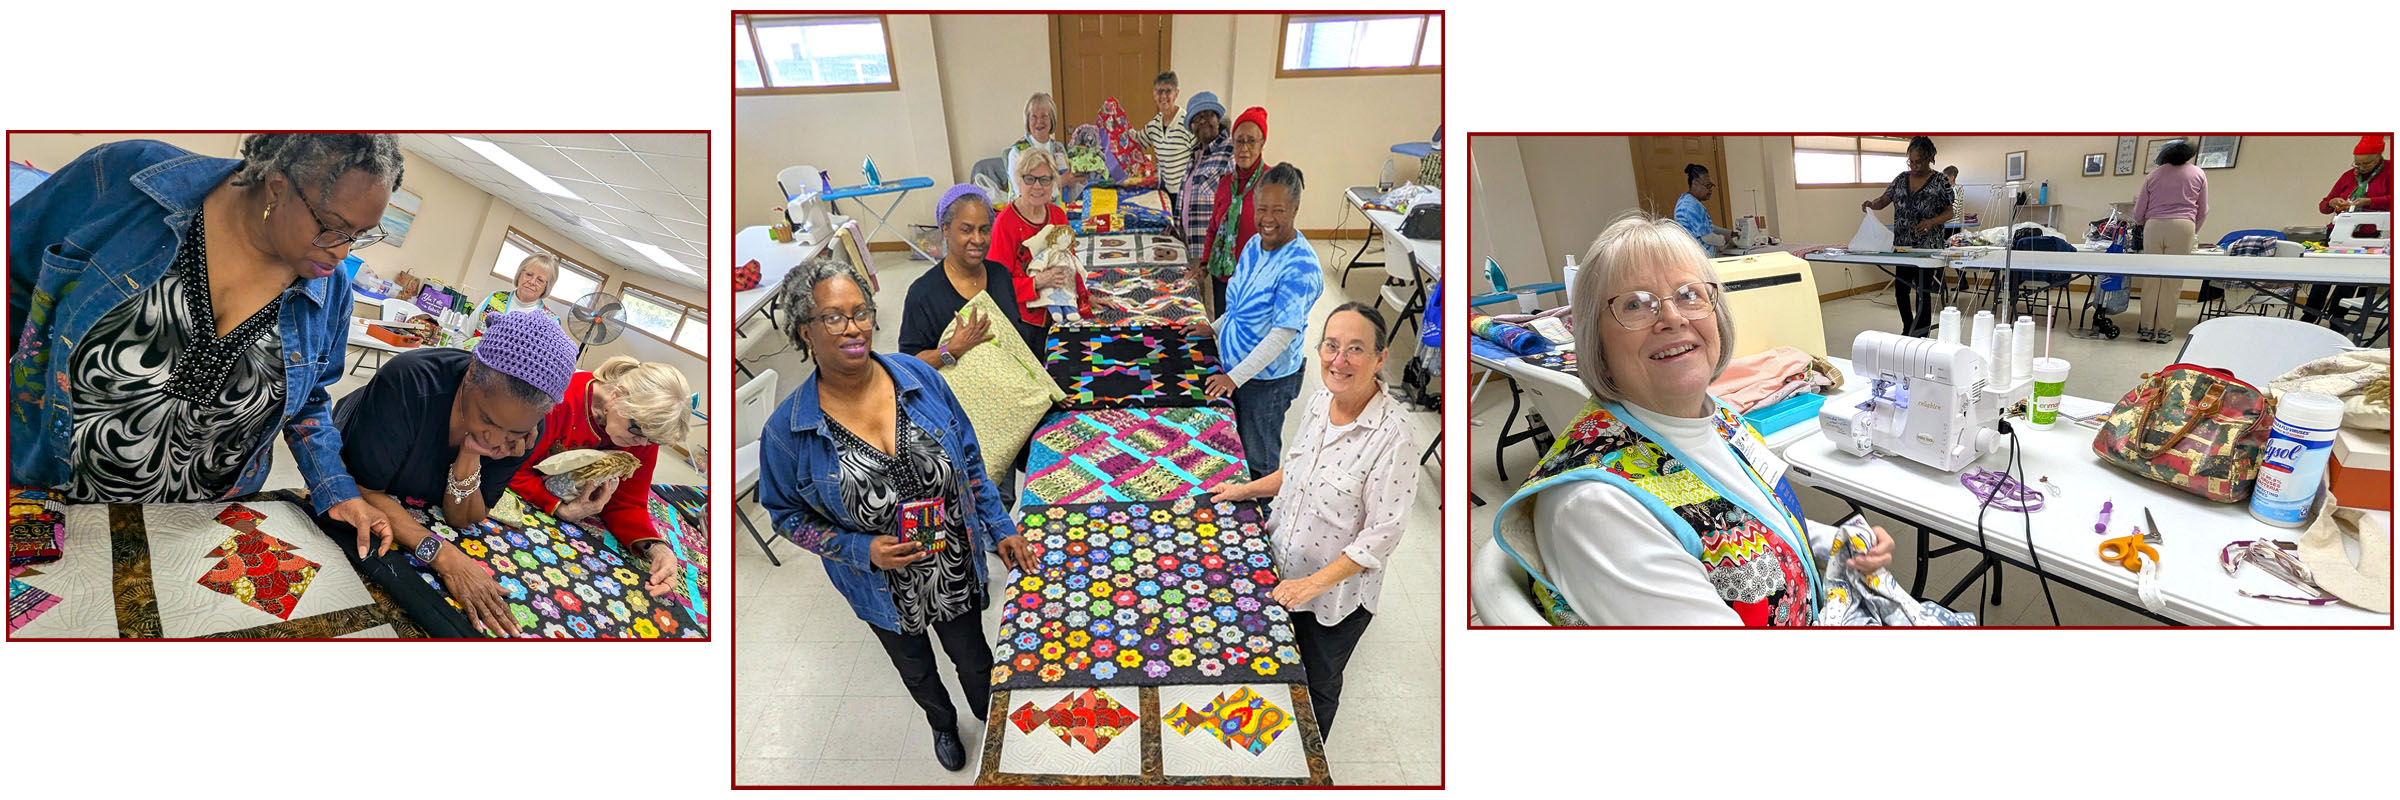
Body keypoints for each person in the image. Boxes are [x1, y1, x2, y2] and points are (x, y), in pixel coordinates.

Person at [1491, 214, 1901, 626]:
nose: (1672, 317)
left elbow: (1763, 519)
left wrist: (1838, 544)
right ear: (1594, 339)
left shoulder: (1717, 417)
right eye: (1635, 304)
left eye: (1689, 295)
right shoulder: (1596, 508)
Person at [7, 134, 400, 554]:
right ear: (277, 186)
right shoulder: (129, 180)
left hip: (196, 529)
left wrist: (336, 490)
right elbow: (12, 281)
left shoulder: (330, 290)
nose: (341, 251)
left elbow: (310, 401)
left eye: (359, 234)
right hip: (51, 495)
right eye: (329, 226)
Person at [756, 257, 1036, 772]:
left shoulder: (916, 377)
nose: (854, 327)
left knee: (975, 661)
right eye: (834, 317)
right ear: (805, 332)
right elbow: (785, 517)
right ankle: (942, 724)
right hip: (881, 588)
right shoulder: (787, 431)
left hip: (952, 562)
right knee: (917, 670)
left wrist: (1001, 529)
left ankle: (994, 725)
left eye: (860, 311)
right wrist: (862, 550)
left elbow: (969, 458)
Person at [1209, 302, 1417, 738]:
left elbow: (1380, 538)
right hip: (1282, 571)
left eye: (1355, 349)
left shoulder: (1393, 438)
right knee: (1270, 665)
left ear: (1380, 358)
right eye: (1331, 346)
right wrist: (1245, 490)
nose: (1339, 361)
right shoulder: (1322, 399)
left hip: (1331, 600)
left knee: (1317, 685)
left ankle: (1309, 755)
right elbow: (1300, 470)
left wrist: (1309, 585)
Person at [333, 311, 578, 637]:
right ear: (472, 372)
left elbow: (465, 518)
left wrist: (471, 453)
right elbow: (362, 489)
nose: (495, 439)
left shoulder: (524, 432)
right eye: (487, 420)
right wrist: (443, 556)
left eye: (512, 430)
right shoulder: (409, 381)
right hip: (358, 454)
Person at [503, 355, 693, 596]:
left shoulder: (644, 433)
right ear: (617, 396)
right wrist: (558, 508)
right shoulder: (560, 400)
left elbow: (627, 503)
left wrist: (656, 548)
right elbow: (512, 467)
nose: (641, 444)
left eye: (652, 440)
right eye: (637, 432)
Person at [1183, 163, 1323, 478]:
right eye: (1261, 209)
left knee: (1258, 458)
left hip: (1266, 382)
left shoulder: (1301, 267)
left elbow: (1281, 335)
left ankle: (1261, 516)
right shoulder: (1253, 245)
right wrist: (1215, 328)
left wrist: (1236, 378)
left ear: (1295, 209)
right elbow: (1240, 306)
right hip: (1238, 369)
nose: (1267, 219)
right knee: (1234, 445)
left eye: (1278, 210)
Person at [900, 184, 1043, 364]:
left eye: (984, 230)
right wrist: (951, 350)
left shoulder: (1000, 276)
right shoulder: (923, 294)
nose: (977, 240)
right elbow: (908, 364)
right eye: (966, 230)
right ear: (945, 229)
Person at [1860, 136, 1954, 337]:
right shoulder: (1901, 178)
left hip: (1927, 248)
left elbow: (1949, 212)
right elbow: (1885, 199)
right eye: (1910, 161)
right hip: (1903, 246)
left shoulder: (1940, 181)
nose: (1913, 165)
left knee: (1923, 292)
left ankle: (1921, 333)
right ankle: (1908, 327)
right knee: (1901, 291)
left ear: (1929, 158)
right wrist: (1872, 204)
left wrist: (1931, 222)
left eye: (1918, 161)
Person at [987, 147, 1089, 328]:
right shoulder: (1005, 223)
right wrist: (1037, 282)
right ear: (1018, 181)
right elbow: (996, 286)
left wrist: (1084, 297)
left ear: (1054, 183)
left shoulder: (1058, 215)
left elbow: (1070, 263)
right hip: (1022, 319)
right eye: (1029, 179)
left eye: (1044, 180)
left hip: (1062, 310)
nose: (1037, 186)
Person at [2131, 140, 2208, 344]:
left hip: (2154, 226)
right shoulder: (2198, 173)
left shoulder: (2153, 175)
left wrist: (2142, 223)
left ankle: (2146, 328)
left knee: (2151, 280)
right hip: (2183, 226)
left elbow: (2139, 211)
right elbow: (2203, 210)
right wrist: (2191, 230)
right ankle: (2164, 330)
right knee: (2172, 283)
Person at [2305, 135, 2390, 321]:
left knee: (2349, 280)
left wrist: (2370, 201)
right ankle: (2310, 315)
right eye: (2357, 163)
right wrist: (2332, 202)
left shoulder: (2391, 171)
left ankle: (2338, 318)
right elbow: (2323, 205)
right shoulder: (2348, 175)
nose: (2359, 168)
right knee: (2323, 278)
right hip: (2338, 233)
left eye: (2366, 164)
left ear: (2379, 158)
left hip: (2368, 236)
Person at [1200, 107, 1270, 316]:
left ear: (1262, 143)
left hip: (1254, 280)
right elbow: (1213, 227)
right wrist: (1204, 263)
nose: (1244, 148)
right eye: (1239, 141)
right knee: (1223, 327)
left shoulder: (1271, 183)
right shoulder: (1225, 183)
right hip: (1222, 276)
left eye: (1251, 141)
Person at [1178, 91, 1234, 248]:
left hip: (1213, 249)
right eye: (1196, 118)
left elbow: (1235, 203)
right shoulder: (1194, 154)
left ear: (1218, 120)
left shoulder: (1230, 151)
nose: (1203, 121)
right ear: (1191, 126)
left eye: (1208, 114)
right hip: (1191, 245)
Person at [1140, 71, 1195, 212]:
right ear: (1154, 94)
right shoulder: (1154, 125)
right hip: (1164, 192)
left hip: (1185, 193)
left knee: (1181, 232)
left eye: (1168, 91)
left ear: (1176, 94)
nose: (1163, 96)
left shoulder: (1187, 122)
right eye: (1159, 91)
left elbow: (1199, 157)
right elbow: (1137, 142)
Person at [1007, 91, 1077, 199]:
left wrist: (1078, 180)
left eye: (1044, 116)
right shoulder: (1017, 152)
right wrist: (1061, 182)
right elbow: (1022, 195)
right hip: (1028, 214)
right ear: (1027, 121)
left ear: (1052, 119)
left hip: (1059, 211)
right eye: (1034, 117)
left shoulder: (1058, 149)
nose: (1039, 121)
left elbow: (1070, 192)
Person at [477, 252, 560, 332]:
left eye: (540, 280)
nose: (532, 282)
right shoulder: (494, 299)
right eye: (529, 274)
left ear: (547, 286)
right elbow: (464, 334)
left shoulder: (550, 321)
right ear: (519, 274)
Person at [1672, 163, 1732, 257]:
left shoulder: (1685, 200)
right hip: (1699, 258)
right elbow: (1707, 237)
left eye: (1711, 186)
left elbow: (1707, 226)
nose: (1710, 190)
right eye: (1708, 186)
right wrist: (1724, 240)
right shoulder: (1691, 206)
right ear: (1695, 183)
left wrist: (1729, 233)